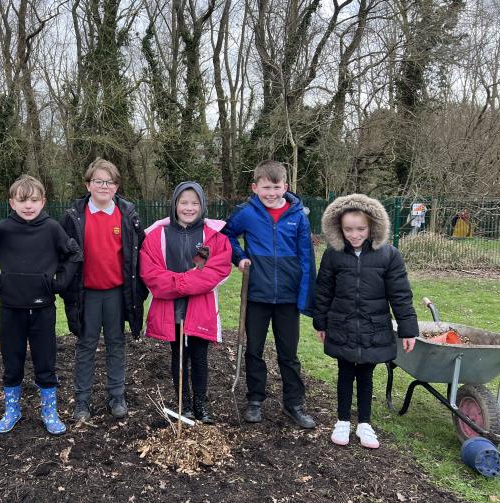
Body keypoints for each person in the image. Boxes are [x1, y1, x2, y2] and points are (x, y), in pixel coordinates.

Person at [0, 175, 82, 435]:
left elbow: (74, 254)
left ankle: (49, 410)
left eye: (34, 200)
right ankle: (12, 409)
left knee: (45, 361)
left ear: (43, 201)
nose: (28, 205)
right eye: (22, 200)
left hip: (43, 308)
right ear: (12, 202)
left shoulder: (52, 228)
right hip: (11, 307)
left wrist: (57, 284)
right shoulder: (3, 229)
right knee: (12, 361)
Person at [314, 194, 418, 449]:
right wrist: (321, 323)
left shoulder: (389, 255)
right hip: (342, 324)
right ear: (339, 228)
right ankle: (342, 421)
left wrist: (408, 329)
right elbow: (323, 291)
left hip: (374, 325)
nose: (354, 234)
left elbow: (400, 294)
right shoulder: (333, 255)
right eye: (348, 229)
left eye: (360, 229)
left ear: (372, 226)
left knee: (366, 374)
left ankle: (364, 424)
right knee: (345, 371)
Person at [223, 160, 317, 428]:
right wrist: (239, 257)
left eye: (276, 187)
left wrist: (305, 296)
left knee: (289, 353)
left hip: (287, 298)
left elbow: (306, 258)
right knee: (254, 350)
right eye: (265, 187)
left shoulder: (298, 216)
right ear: (255, 187)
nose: (271, 193)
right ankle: (254, 400)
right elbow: (227, 235)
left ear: (285, 186)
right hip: (257, 295)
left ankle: (294, 404)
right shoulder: (247, 213)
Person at [60, 158, 147, 421]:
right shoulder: (73, 216)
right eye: (98, 181)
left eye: (109, 182)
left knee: (116, 343)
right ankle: (82, 401)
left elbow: (139, 253)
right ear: (88, 185)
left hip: (116, 293)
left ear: (117, 186)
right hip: (86, 293)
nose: (103, 186)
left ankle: (116, 395)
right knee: (86, 345)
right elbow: (62, 253)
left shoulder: (128, 215)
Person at [140, 182, 232, 423]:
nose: (189, 208)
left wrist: (180, 283)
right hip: (172, 309)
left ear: (202, 205)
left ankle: (201, 405)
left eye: (194, 203)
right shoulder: (157, 235)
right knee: (178, 355)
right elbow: (151, 273)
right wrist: (182, 283)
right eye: (183, 202)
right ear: (174, 204)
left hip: (200, 308)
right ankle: (185, 404)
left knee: (200, 356)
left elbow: (215, 271)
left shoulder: (212, 237)